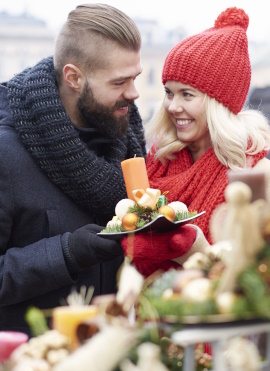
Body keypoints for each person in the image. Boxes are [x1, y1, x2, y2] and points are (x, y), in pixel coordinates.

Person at [0, 3, 146, 333]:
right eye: (120, 82)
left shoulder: (129, 138)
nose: (135, 93)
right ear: (73, 78)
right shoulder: (6, 152)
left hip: (116, 356)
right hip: (35, 367)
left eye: (135, 77)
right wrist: (66, 253)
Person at [122, 7, 270, 276]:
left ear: (219, 103)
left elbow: (258, 282)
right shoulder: (158, 161)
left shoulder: (256, 175)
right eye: (169, 93)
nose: (172, 107)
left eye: (187, 95)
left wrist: (199, 252)